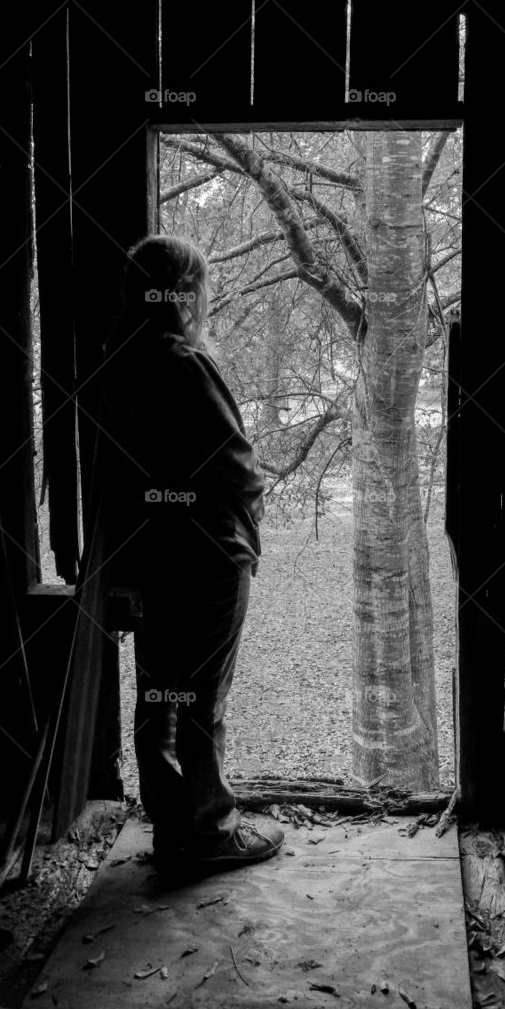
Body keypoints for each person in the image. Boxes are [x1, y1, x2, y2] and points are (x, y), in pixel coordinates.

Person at [98, 234, 284, 876]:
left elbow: (113, 478)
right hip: (207, 554)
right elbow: (237, 464)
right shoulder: (183, 362)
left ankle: (173, 828)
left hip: (149, 557)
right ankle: (210, 832)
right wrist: (248, 530)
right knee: (203, 699)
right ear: (184, 293)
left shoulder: (116, 364)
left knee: (159, 695)